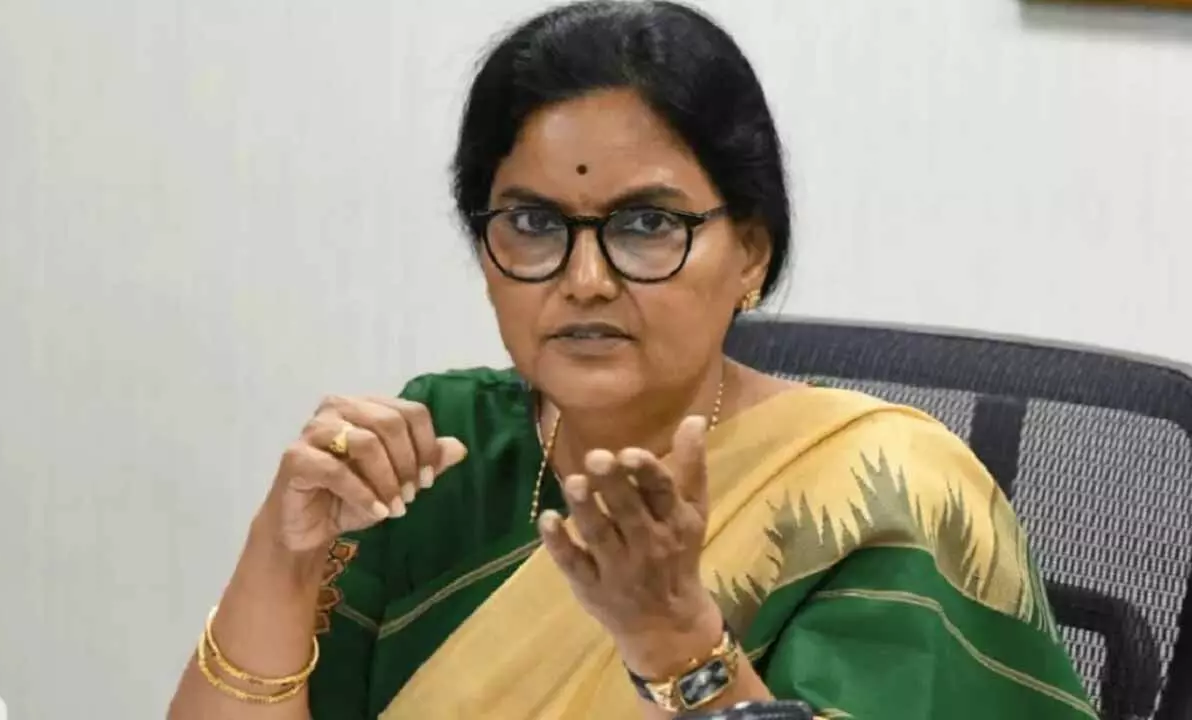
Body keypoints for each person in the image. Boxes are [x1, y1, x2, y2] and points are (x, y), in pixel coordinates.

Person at [168, 2, 1094, 719]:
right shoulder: (437, 455)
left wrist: (675, 638)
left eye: (647, 224)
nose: (584, 280)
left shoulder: (879, 493)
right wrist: (284, 553)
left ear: (752, 253)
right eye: (533, 224)